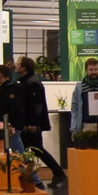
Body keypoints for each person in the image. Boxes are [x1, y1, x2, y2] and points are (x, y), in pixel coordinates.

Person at [16, 57, 66, 188]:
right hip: (29, 123)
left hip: (31, 124)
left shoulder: (32, 82)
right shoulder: (27, 81)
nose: (16, 65)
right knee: (36, 149)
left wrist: (33, 123)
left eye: (18, 64)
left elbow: (37, 104)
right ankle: (55, 174)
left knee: (35, 149)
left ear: (24, 67)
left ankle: (44, 177)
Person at [0, 64, 40, 188]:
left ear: (1, 74)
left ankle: (36, 182)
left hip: (11, 130)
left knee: (21, 156)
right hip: (6, 128)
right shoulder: (6, 89)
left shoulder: (11, 90)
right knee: (18, 156)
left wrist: (7, 124)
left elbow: (15, 110)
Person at [70, 58, 98, 137]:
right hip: (87, 125)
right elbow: (75, 109)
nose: (94, 72)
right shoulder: (80, 87)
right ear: (86, 70)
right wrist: (73, 128)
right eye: (91, 70)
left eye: (96, 69)